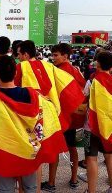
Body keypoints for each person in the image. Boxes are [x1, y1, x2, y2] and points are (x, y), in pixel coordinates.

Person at [0, 55, 67, 193]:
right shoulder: (32, 95)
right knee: (30, 187)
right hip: (29, 150)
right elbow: (51, 110)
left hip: (4, 150)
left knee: (5, 189)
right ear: (16, 73)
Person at [14, 40, 85, 192]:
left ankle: (27, 188)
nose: (18, 56)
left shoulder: (21, 67)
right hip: (51, 116)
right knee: (42, 156)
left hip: (30, 117)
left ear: (26, 54)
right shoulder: (49, 66)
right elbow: (67, 86)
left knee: (30, 154)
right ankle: (39, 188)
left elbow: (12, 89)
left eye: (19, 54)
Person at [41, 43, 86, 191]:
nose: (53, 58)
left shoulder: (57, 72)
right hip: (73, 118)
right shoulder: (76, 70)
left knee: (55, 149)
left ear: (65, 56)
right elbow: (82, 91)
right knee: (72, 149)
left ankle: (52, 182)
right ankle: (74, 179)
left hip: (60, 117)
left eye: (56, 55)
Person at [85, 51, 112, 193]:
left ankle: (92, 191)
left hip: (91, 126)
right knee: (110, 156)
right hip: (108, 127)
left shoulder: (92, 81)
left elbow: (84, 100)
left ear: (98, 63)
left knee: (91, 158)